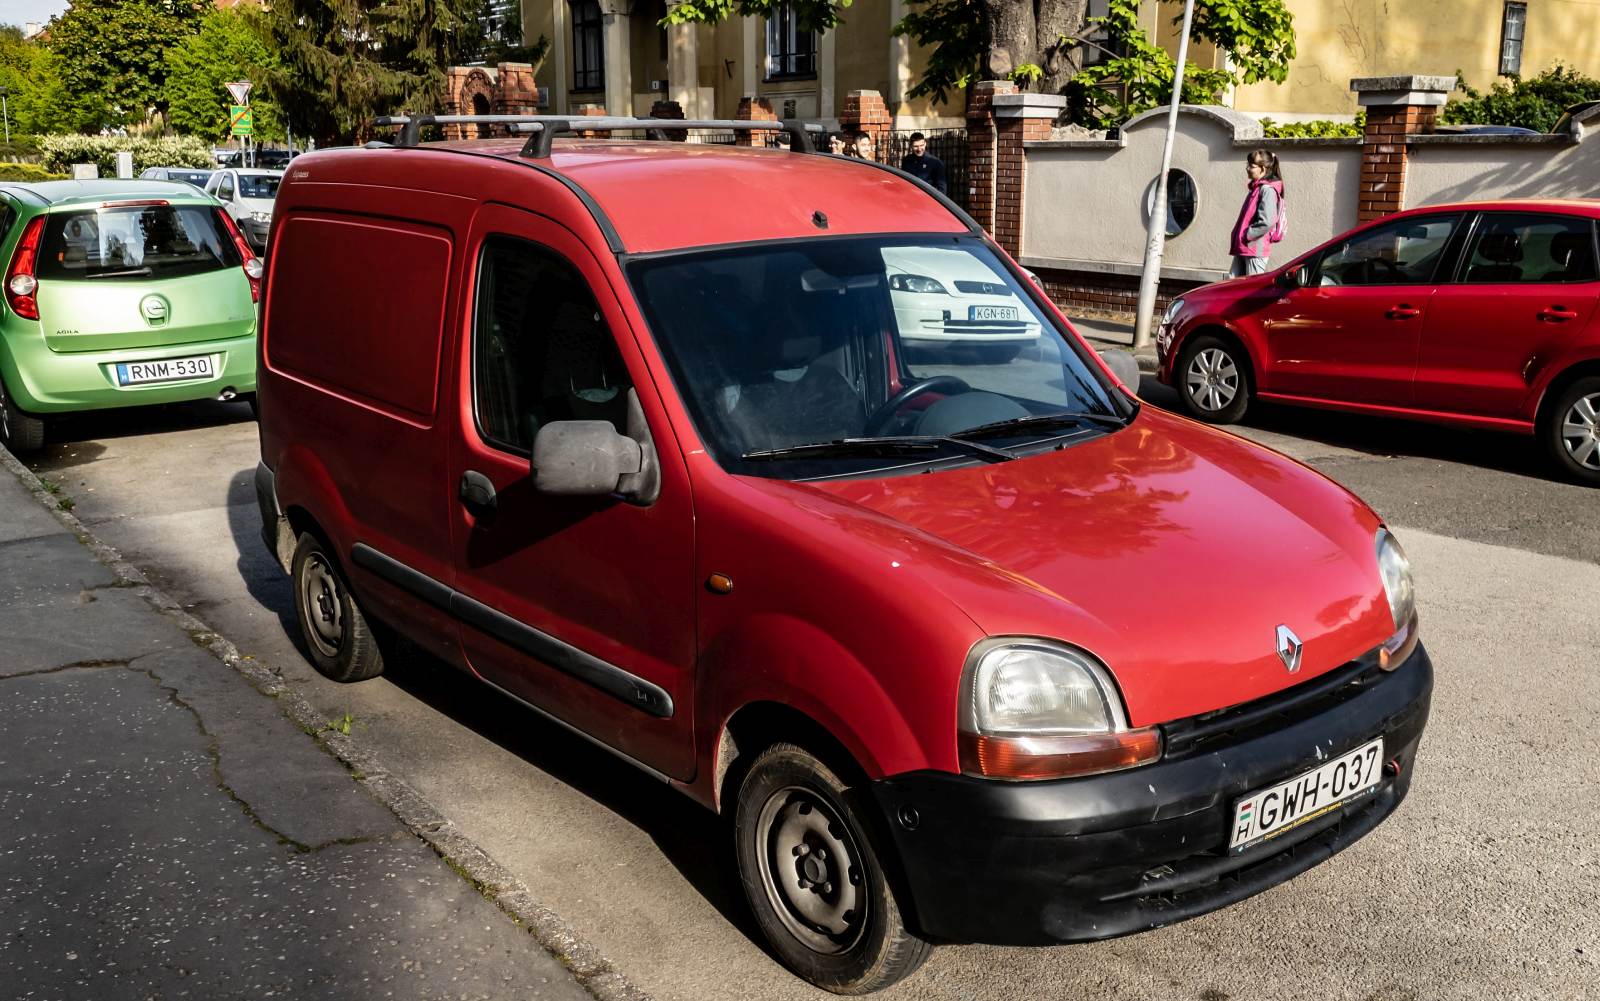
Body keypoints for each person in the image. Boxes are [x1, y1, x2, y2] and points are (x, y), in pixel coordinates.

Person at [1228, 149, 1285, 278]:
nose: (1247, 168)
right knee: (1232, 284)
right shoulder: (1256, 188)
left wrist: (1246, 235)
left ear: (1263, 169)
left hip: (1254, 250)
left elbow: (1267, 221)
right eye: (1247, 165)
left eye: (1251, 166)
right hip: (1244, 248)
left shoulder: (1267, 190)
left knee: (1251, 288)